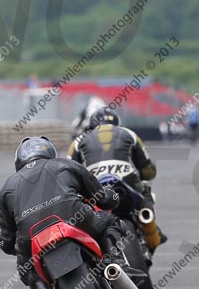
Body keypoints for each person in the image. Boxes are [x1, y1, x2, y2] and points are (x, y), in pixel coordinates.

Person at [0, 137, 137, 289]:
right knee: (110, 222)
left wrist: (17, 248)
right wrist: (113, 197)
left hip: (31, 236)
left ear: (19, 160)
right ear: (49, 152)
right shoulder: (65, 164)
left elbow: (6, 241)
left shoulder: (7, 187)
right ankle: (116, 265)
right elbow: (103, 198)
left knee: (27, 270)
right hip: (75, 217)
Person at [67, 107, 168, 252]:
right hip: (127, 180)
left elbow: (70, 171)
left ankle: (88, 249)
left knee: (80, 211)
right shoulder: (129, 134)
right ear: (117, 122)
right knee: (145, 194)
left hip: (95, 186)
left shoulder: (78, 141)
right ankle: (152, 230)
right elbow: (147, 169)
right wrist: (145, 176)